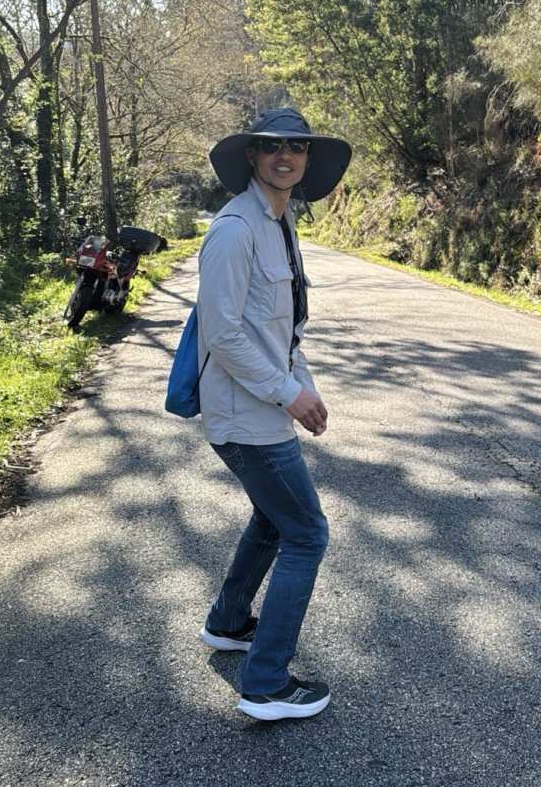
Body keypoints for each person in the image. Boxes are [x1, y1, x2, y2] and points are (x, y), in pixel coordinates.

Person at [195, 107, 351, 722]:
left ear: (307, 162)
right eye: (272, 147)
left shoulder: (279, 224)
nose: (285, 156)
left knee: (271, 517)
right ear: (253, 158)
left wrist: (303, 388)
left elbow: (283, 332)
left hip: (264, 406)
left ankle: (229, 623)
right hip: (243, 415)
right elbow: (224, 335)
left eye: (297, 147)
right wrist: (288, 394)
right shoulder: (235, 231)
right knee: (307, 533)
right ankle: (264, 683)